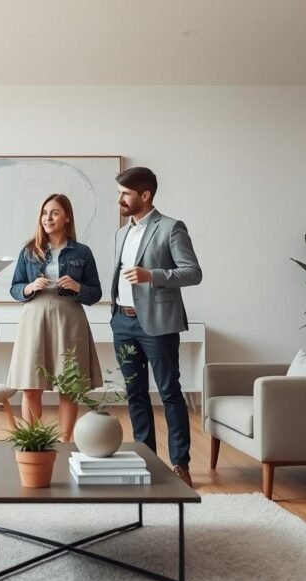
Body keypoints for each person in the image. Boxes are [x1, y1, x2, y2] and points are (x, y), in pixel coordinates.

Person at [110, 167, 202, 487]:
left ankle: (180, 464)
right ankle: (145, 459)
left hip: (159, 324)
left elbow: (193, 272)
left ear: (145, 195)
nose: (120, 199)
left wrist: (154, 275)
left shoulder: (171, 228)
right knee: (135, 393)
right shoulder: (122, 232)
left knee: (169, 392)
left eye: (125, 194)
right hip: (123, 322)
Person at [7, 193, 103, 442]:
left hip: (69, 319)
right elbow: (15, 287)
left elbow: (96, 293)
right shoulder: (29, 250)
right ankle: (34, 441)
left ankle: (64, 442)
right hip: (34, 318)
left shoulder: (82, 251)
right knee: (31, 385)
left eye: (54, 212)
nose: (47, 218)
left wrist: (78, 286)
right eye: (44, 213)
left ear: (67, 217)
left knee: (69, 386)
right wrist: (29, 287)